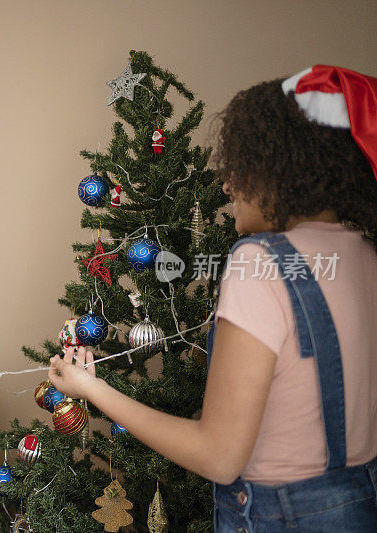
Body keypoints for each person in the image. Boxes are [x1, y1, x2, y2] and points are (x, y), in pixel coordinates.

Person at [49, 65, 377, 531]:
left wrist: (92, 390)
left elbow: (219, 456)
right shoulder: (365, 255)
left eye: (239, 166)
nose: (227, 186)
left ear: (279, 165)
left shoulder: (258, 261)